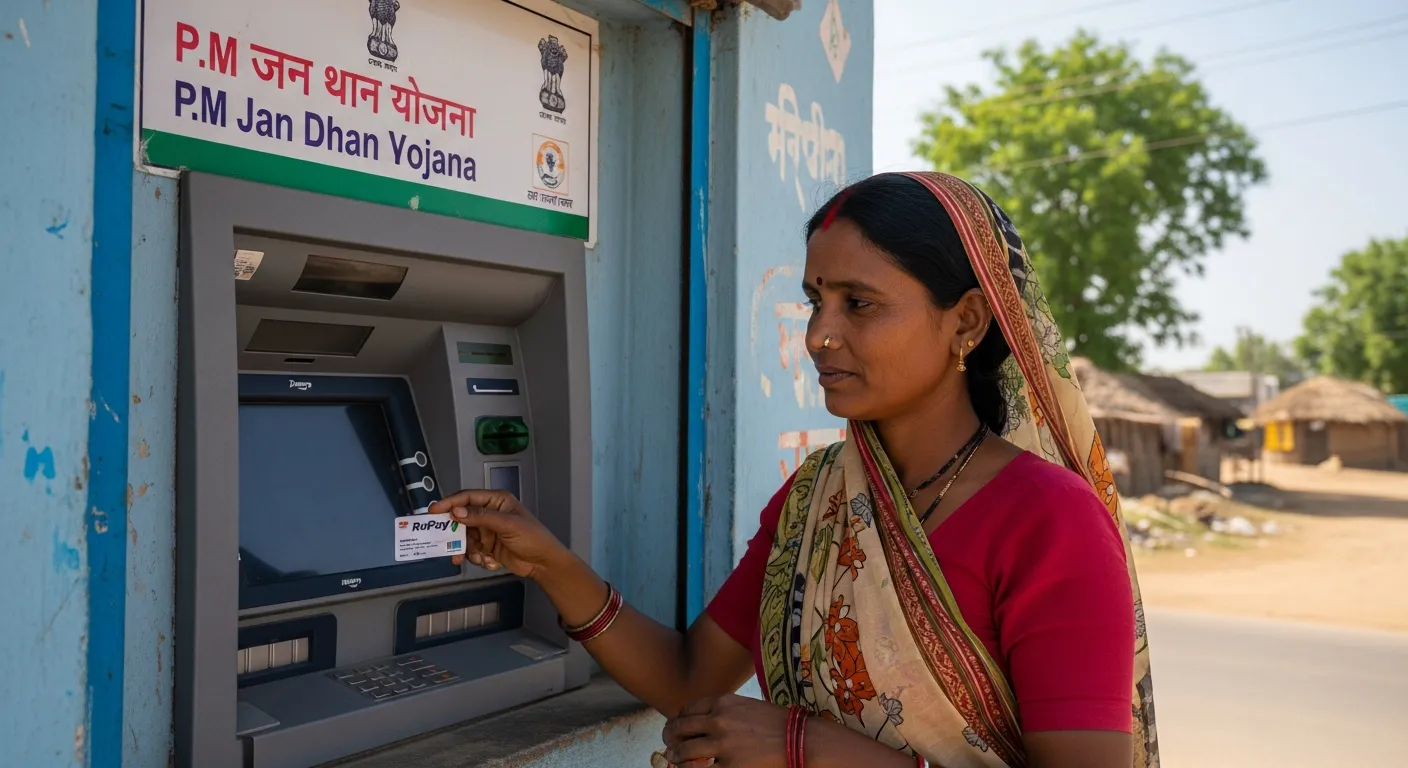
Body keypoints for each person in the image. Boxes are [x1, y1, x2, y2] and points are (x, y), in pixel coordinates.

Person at [430, 171, 1159, 768]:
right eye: (814, 300)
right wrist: (549, 562)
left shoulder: (1048, 520)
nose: (818, 335)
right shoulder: (820, 498)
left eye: (859, 304)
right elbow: (689, 677)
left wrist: (804, 748)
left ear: (965, 322)